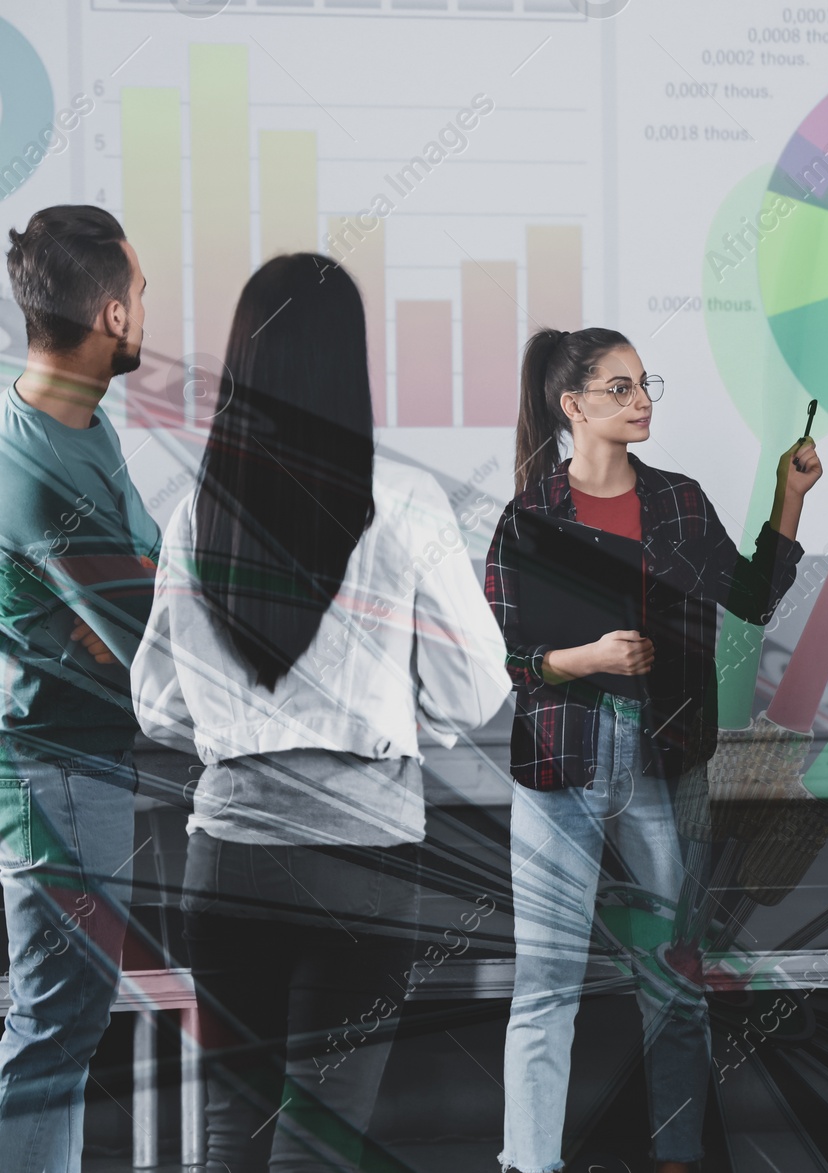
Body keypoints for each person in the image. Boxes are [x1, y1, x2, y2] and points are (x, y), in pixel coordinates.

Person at [130, 253, 509, 1172]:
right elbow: (477, 684)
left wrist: (241, 730)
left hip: (225, 861)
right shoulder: (407, 503)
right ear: (352, 362)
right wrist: (390, 722)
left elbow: (158, 700)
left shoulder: (194, 512)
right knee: (318, 1141)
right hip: (363, 866)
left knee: (233, 1136)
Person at [485, 327, 821, 1173]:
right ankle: (529, 1164)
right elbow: (508, 660)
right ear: (573, 407)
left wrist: (790, 497)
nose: (642, 402)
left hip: (660, 762)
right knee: (546, 989)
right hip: (559, 767)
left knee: (673, 986)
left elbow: (752, 597)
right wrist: (586, 659)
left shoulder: (677, 501)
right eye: (621, 388)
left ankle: (677, 1157)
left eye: (644, 385)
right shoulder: (530, 515)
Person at [0, 206, 158, 1173]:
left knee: (62, 1028)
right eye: (140, 298)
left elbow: (134, 608)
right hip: (60, 775)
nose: (145, 313)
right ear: (108, 313)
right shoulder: (43, 468)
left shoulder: (74, 423)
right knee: (57, 1027)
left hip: (78, 766)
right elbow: (149, 637)